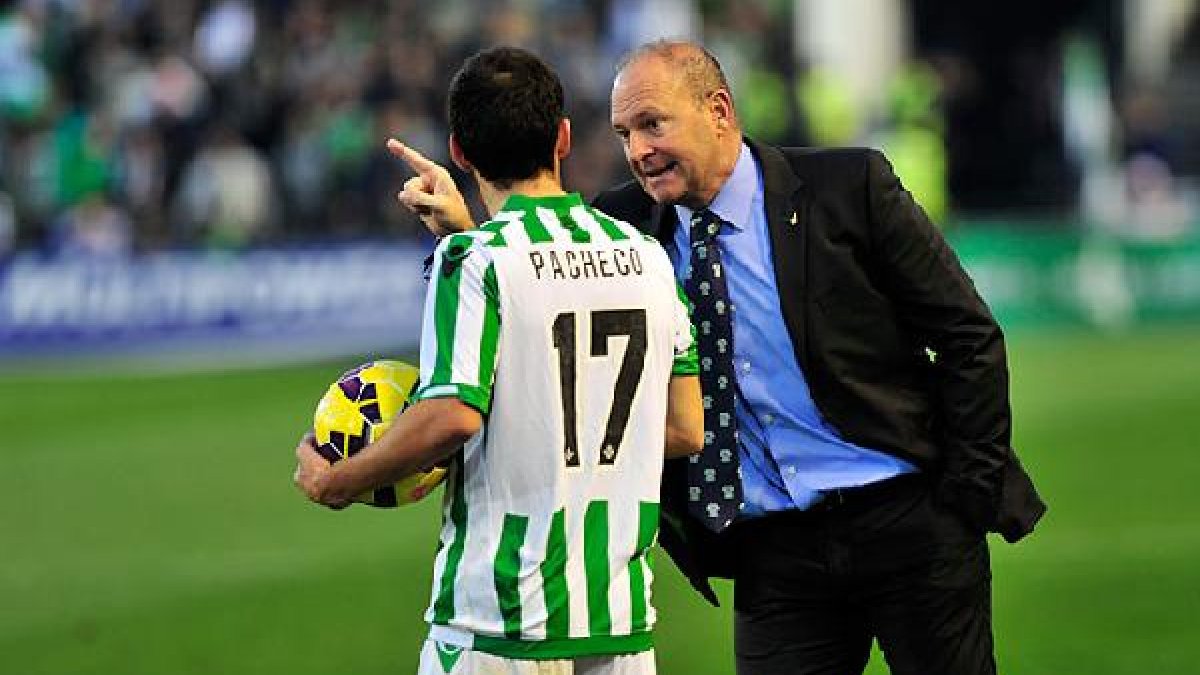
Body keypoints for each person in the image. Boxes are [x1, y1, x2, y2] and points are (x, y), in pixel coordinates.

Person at [409, 40, 1048, 675]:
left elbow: (969, 335)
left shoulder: (848, 188)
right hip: (775, 553)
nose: (636, 151)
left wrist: (963, 498)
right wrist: (465, 229)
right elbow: (539, 300)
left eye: (652, 124)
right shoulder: (624, 228)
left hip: (906, 519)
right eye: (623, 133)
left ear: (719, 111)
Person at [293, 46, 704, 675]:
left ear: (459, 153)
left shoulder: (474, 264)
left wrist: (340, 480)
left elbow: (453, 415)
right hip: (619, 628)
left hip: (498, 630)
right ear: (563, 137)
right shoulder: (647, 256)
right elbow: (683, 429)